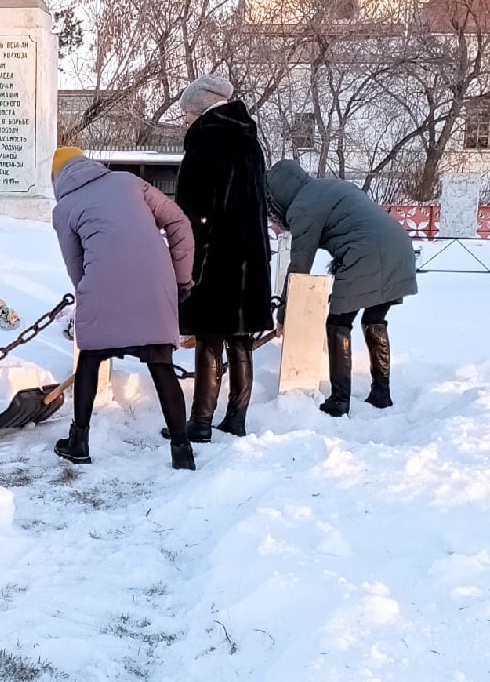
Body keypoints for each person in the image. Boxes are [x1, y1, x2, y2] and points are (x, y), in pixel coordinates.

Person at [51, 147, 196, 469]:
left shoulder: (64, 209)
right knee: (161, 366)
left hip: (102, 284)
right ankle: (181, 449)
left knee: (89, 359)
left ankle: (79, 442)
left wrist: (92, 294)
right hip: (155, 281)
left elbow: (76, 266)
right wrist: (181, 279)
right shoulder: (129, 182)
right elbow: (179, 223)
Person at [265, 159, 418, 416]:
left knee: (337, 322)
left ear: (278, 196)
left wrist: (283, 313)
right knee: (374, 318)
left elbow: (299, 267)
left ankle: (339, 400)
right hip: (399, 246)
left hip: (367, 253)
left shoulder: (303, 207)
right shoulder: (329, 186)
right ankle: (381, 393)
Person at [174, 75, 273, 440]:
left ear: (200, 109)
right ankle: (237, 418)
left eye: (186, 113)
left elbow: (194, 213)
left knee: (210, 338)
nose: (184, 120)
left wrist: (189, 265)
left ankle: (199, 423)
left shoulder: (206, 141)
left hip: (216, 257)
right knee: (241, 337)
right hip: (250, 255)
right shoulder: (249, 140)